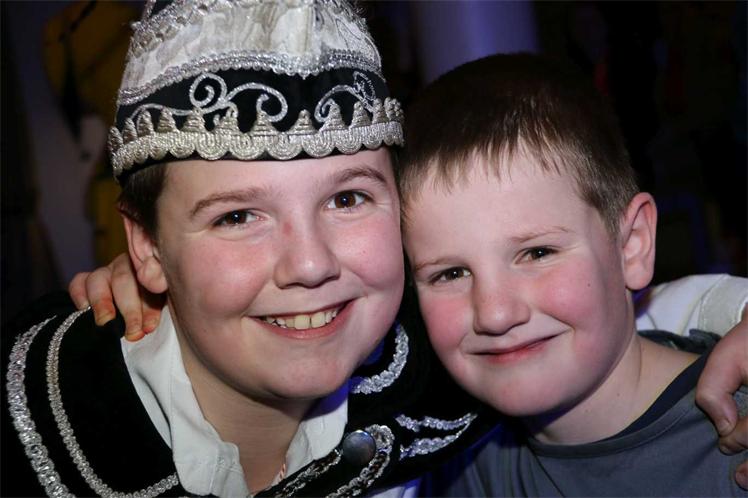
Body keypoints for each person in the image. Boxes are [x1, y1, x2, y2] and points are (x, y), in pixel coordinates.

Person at [1, 1, 497, 496]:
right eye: (237, 217)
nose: (310, 265)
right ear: (147, 249)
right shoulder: (38, 423)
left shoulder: (465, 358)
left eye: (347, 199)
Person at [395, 52, 748, 496]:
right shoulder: (449, 464)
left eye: (537, 253)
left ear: (632, 244)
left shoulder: (734, 443)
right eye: (450, 274)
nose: (495, 314)